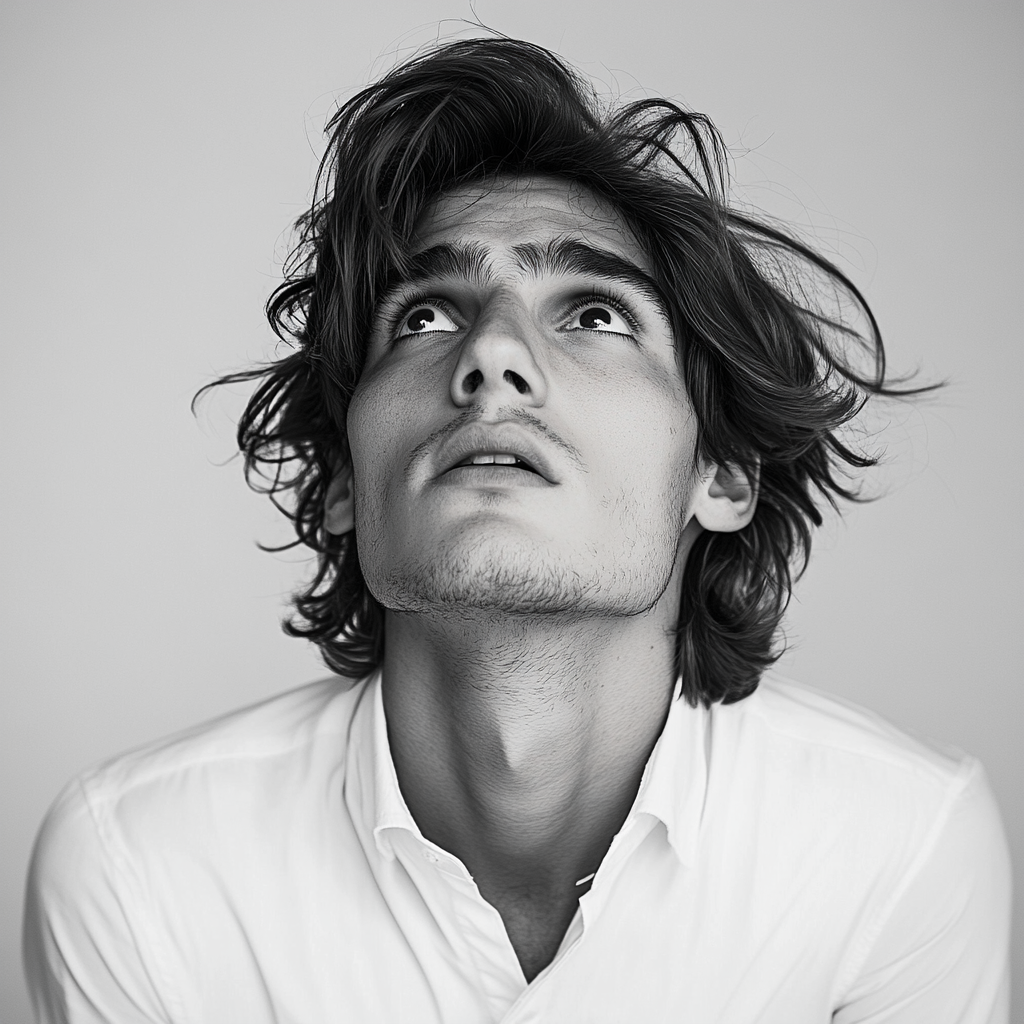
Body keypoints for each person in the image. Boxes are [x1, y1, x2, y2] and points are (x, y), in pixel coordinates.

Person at [23, 35, 1011, 1024]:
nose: (491, 351)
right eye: (422, 318)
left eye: (591, 314)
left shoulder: (897, 850)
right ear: (343, 482)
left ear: (719, 472)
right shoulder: (136, 866)